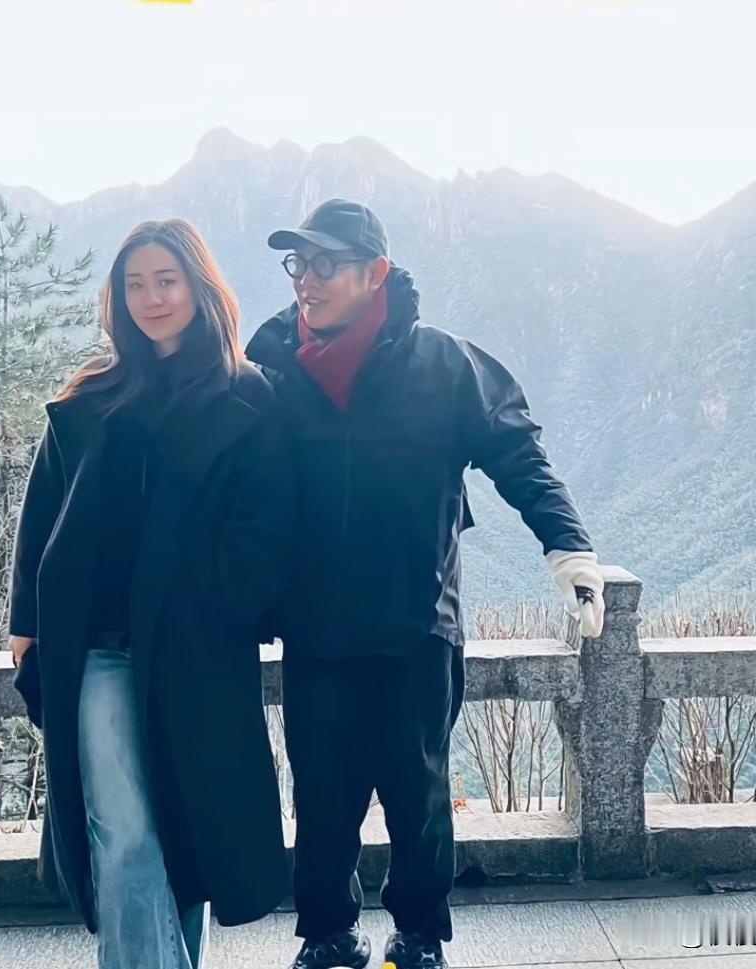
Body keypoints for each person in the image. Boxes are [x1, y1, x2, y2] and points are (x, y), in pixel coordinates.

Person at [246, 198, 605, 969]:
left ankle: (418, 934)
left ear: (375, 273)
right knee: (323, 795)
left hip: (416, 621)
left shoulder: (443, 366)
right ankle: (328, 932)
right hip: (314, 628)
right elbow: (223, 474)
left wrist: (569, 550)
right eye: (299, 263)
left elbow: (519, 454)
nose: (306, 279)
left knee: (419, 794)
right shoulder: (270, 361)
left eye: (326, 263)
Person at [8, 218, 294, 969]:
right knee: (125, 832)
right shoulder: (95, 397)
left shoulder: (246, 395)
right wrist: (25, 621)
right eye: (135, 284)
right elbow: (43, 513)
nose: (151, 298)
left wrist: (216, 608)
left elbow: (268, 528)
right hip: (96, 648)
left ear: (199, 287)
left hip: (196, 651)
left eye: (166, 280)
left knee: (183, 835)